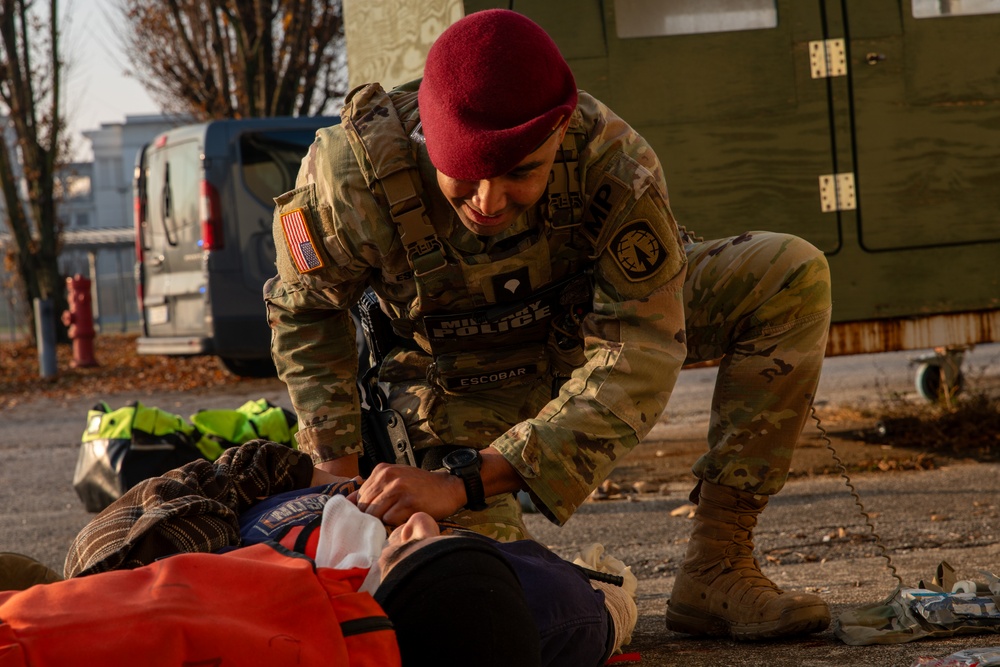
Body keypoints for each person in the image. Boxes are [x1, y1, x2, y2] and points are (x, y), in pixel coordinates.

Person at [264, 9, 833, 641]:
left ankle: (717, 567)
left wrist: (465, 481)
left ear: (559, 132)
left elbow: (639, 350)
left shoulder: (612, 161)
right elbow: (306, 312)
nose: (488, 202)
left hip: (582, 332)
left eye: (520, 172)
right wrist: (339, 486)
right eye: (466, 175)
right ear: (428, 133)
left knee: (787, 273)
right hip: (450, 382)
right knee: (476, 595)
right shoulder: (353, 176)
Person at [62, 440, 632, 667]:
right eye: (445, 537)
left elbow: (102, 562)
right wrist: (332, 481)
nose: (420, 524)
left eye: (416, 549)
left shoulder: (191, 571)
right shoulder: (529, 603)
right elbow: (606, 601)